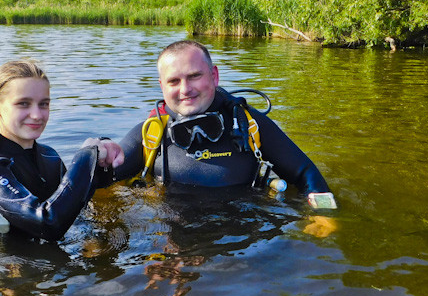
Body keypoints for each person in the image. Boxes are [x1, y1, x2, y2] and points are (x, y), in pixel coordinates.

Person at [114, 40, 336, 209]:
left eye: (194, 76)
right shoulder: (151, 134)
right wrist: (97, 150)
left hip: (243, 252)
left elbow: (306, 173)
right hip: (175, 251)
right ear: (162, 86)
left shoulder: (248, 123)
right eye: (174, 81)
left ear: (214, 76)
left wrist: (325, 216)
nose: (185, 89)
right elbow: (102, 173)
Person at [0, 60, 124, 241]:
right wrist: (86, 156)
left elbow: (75, 209)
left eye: (43, 104)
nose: (37, 115)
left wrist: (100, 160)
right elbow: (48, 223)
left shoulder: (49, 156)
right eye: (23, 104)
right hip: (4, 263)